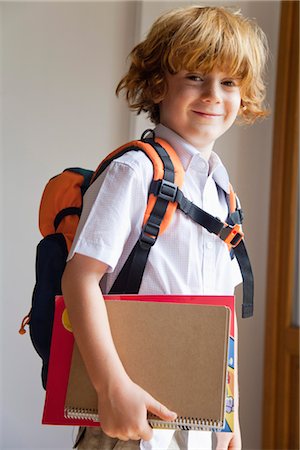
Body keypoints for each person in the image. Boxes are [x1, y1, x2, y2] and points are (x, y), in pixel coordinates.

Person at [62, 5, 268, 450]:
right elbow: (80, 278)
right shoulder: (136, 171)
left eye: (229, 82)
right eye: (195, 76)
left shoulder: (223, 192)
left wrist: (230, 413)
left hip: (199, 420)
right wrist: (111, 387)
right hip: (127, 413)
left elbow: (222, 314)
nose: (214, 94)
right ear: (159, 84)